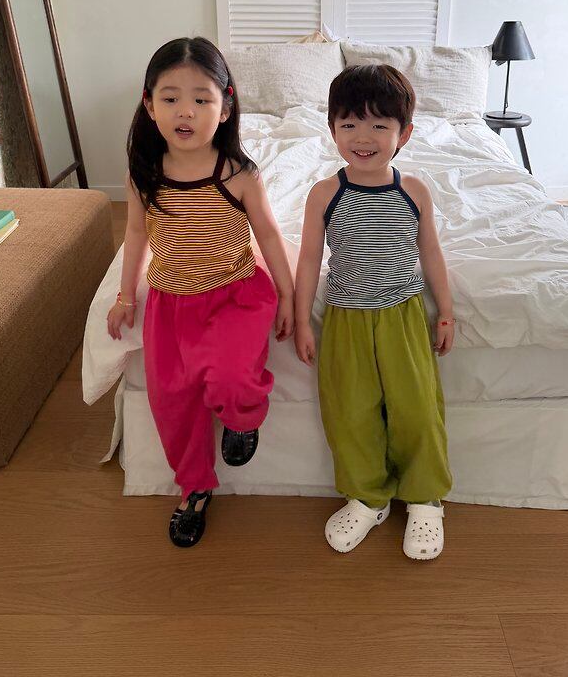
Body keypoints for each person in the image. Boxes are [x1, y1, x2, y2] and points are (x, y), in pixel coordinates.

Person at [107, 37, 294, 547]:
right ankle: (194, 488)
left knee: (232, 377)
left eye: (201, 99)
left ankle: (242, 420)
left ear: (225, 107)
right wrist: (125, 297)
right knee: (173, 403)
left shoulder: (237, 173)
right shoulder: (143, 176)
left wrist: (290, 298)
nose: (185, 111)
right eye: (170, 98)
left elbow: (269, 234)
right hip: (170, 307)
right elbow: (135, 234)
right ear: (149, 105)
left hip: (236, 296)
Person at [295, 64, 454, 560]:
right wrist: (300, 320)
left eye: (379, 125)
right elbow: (308, 260)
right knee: (350, 412)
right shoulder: (325, 194)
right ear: (332, 130)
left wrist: (446, 312)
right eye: (349, 124)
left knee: (416, 408)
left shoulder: (414, 191)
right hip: (346, 318)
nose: (363, 138)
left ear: (404, 133)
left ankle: (425, 498)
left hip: (402, 317)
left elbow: (431, 253)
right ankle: (367, 497)